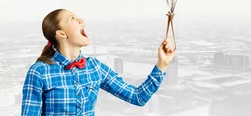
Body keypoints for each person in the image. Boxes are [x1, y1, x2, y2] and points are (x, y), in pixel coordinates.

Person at [21, 8, 175, 115]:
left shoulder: (95, 67)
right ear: (61, 33)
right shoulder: (39, 71)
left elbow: (137, 97)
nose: (81, 20)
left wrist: (162, 64)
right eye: (73, 19)